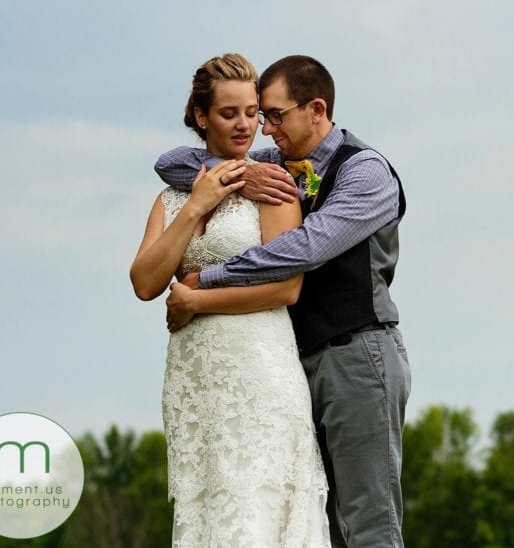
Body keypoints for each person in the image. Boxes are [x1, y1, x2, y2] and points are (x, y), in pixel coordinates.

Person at [155, 54, 410, 547]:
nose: (264, 130)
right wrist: (240, 176)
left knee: (368, 524)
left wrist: (208, 278)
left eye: (274, 115)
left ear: (316, 109)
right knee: (318, 524)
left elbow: (304, 250)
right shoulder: (278, 166)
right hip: (296, 364)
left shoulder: (365, 172)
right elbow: (170, 162)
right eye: (260, 115)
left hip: (357, 357)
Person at [130, 53, 330, 547]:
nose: (245, 126)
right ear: (201, 117)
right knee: (206, 513)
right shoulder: (172, 197)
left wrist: (198, 301)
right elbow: (145, 282)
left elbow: (287, 287)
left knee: (253, 511)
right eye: (229, 113)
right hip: (195, 381)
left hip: (260, 372)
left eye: (252, 113)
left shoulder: (275, 188)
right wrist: (197, 203)